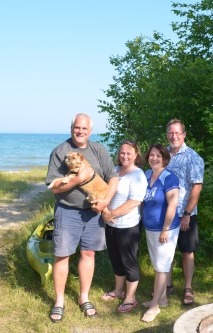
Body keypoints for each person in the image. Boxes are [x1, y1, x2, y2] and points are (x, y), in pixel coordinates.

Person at [45, 113, 118, 322]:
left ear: (90, 131)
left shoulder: (99, 150)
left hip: (94, 213)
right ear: (71, 128)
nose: (81, 131)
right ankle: (59, 301)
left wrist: (105, 202)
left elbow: (112, 177)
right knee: (62, 255)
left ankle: (83, 297)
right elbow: (54, 188)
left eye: (85, 129)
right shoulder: (60, 152)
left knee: (89, 254)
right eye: (77, 128)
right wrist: (77, 179)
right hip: (67, 211)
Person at [100, 140, 148, 313]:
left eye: (129, 153)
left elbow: (135, 201)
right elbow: (102, 191)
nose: (125, 156)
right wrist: (105, 210)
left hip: (128, 226)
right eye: (122, 152)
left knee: (129, 261)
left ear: (136, 154)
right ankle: (118, 291)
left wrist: (111, 214)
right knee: (115, 258)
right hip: (110, 224)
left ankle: (131, 297)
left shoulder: (138, 175)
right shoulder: (113, 170)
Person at [165, 118, 204, 306]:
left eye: (177, 133)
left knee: (187, 251)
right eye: (171, 133)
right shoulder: (162, 154)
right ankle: (168, 285)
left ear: (184, 134)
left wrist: (187, 213)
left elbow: (196, 187)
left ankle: (188, 288)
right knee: (167, 251)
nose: (174, 136)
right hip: (165, 214)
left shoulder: (193, 157)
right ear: (167, 134)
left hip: (184, 214)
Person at [141, 144, 180, 323]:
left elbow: (172, 204)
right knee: (158, 264)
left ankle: (155, 306)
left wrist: (165, 229)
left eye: (158, 155)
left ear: (164, 157)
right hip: (150, 227)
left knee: (162, 267)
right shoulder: (147, 174)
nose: (154, 158)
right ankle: (162, 299)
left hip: (166, 229)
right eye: (151, 155)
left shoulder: (169, 177)